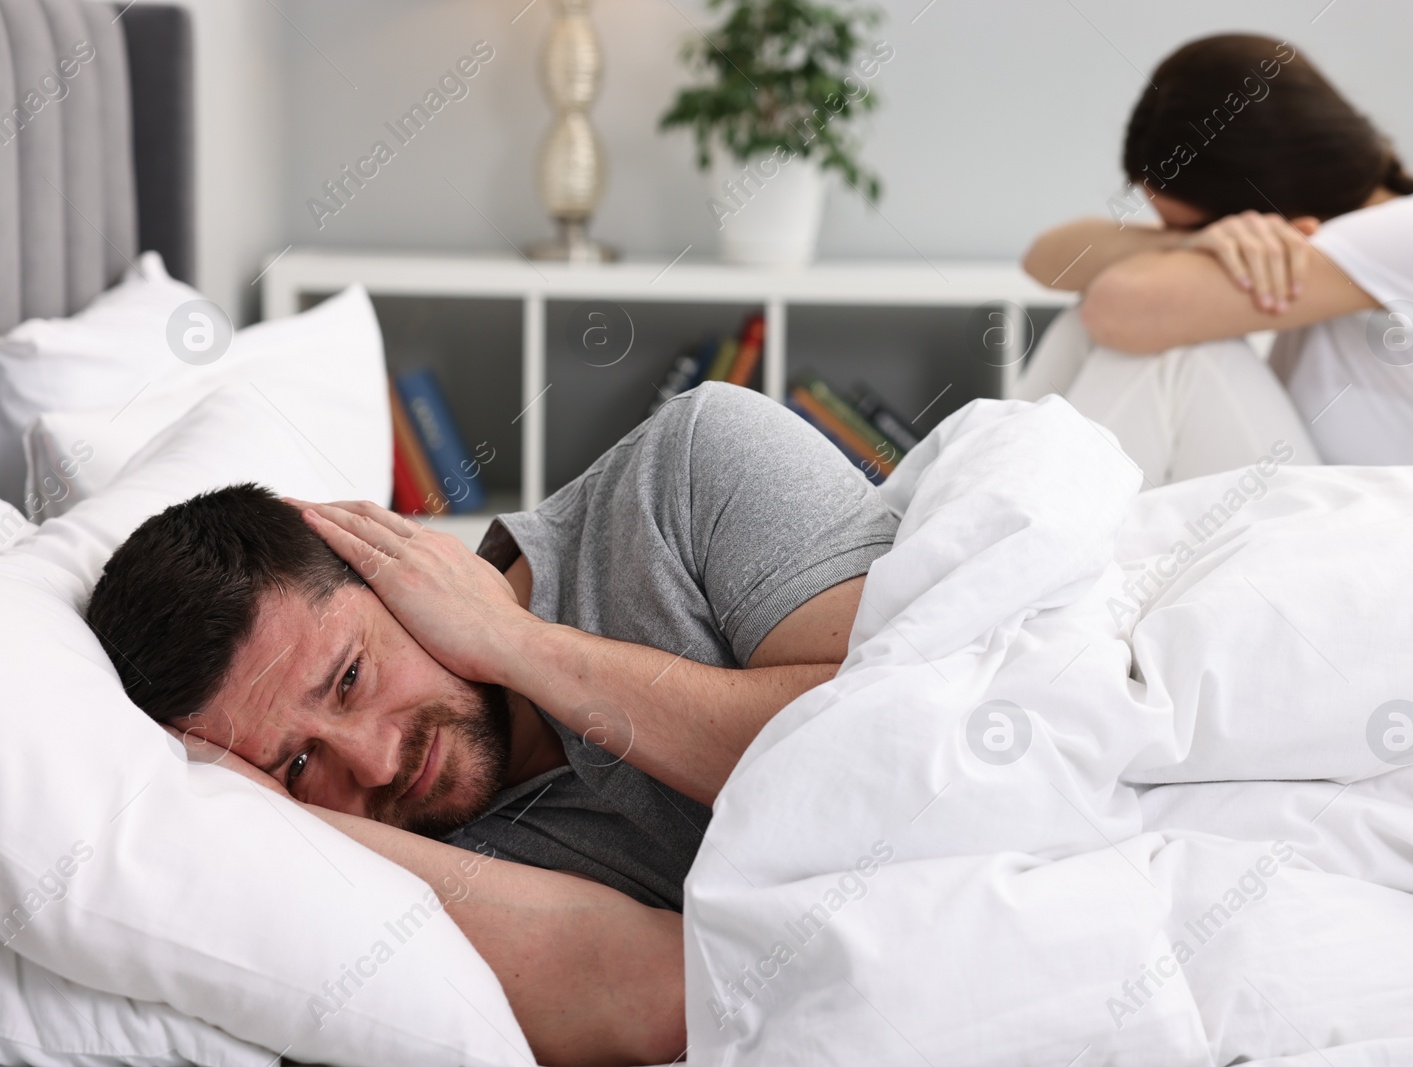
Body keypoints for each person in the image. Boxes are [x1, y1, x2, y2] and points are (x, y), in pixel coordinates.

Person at [85, 381, 901, 1065]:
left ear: (388, 560)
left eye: (350, 678)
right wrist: (253, 805)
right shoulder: (404, 865)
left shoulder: (689, 468)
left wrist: (518, 644)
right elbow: (672, 993)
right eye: (299, 763)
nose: (371, 764)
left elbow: (882, 756)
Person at [1019, 33, 1413, 485]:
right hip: (1359, 535)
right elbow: (1045, 259)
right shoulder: (1356, 241)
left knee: (1170, 351)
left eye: (1192, 224)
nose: (1200, 241)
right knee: (1095, 324)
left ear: (1259, 198)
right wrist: (1186, 241)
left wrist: (1186, 246)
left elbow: (1117, 309)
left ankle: (1015, 549)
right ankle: (999, 532)